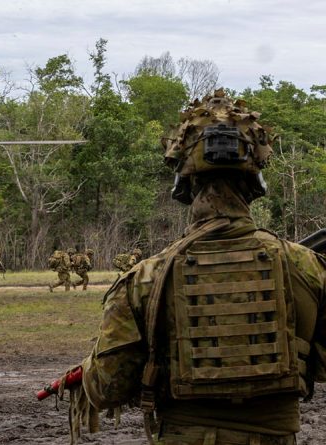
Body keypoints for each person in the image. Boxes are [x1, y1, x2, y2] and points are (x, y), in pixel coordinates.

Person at [55, 90, 326, 444]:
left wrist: (91, 367)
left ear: (184, 182)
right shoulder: (306, 268)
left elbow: (108, 388)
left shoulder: (145, 280)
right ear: (256, 183)